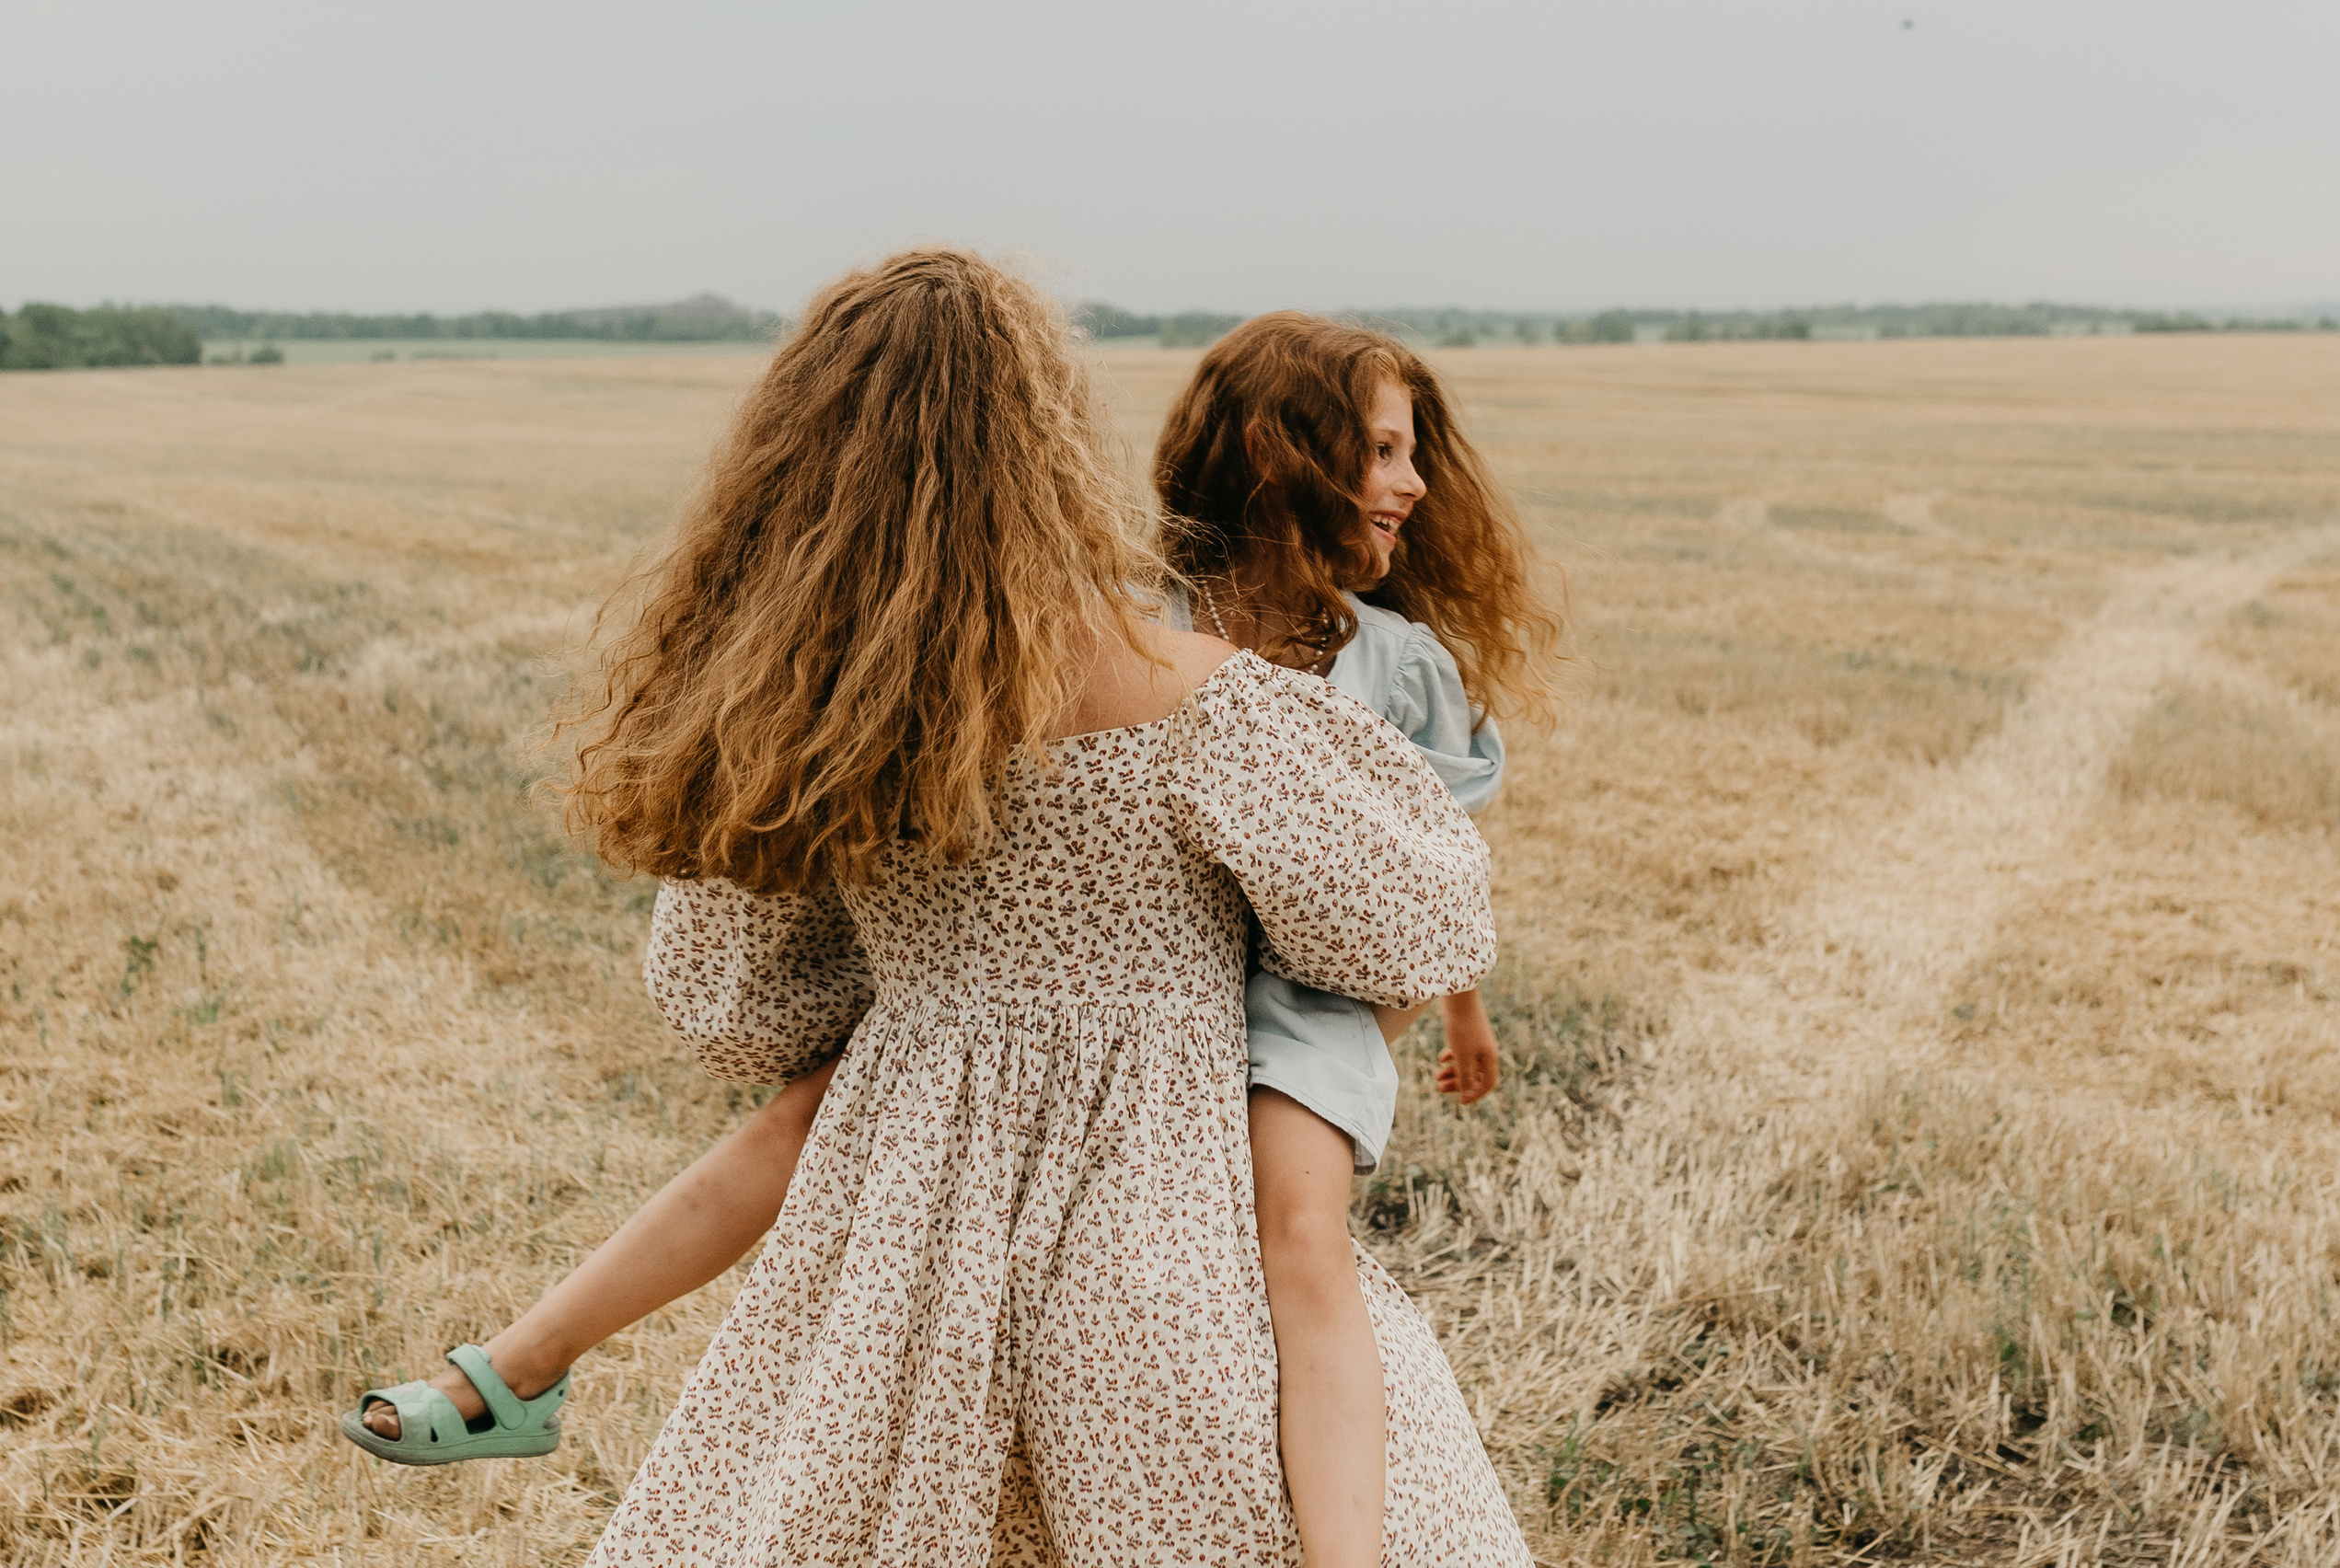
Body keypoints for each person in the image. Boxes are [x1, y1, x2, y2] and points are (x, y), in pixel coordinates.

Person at [341, 249, 1532, 1563]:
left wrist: (939, 1025)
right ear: (1054, 445)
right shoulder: (1208, 708)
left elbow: (740, 1008)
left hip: (900, 1225)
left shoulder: (832, 721)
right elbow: (1417, 930)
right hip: (1158, 1205)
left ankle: (514, 1367)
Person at [1153, 311, 1561, 1567]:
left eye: (1413, 453)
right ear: (1285, 457)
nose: (1416, 483)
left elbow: (1431, 876)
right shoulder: (1146, 621)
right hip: (1158, 987)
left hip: (1312, 1013)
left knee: (1300, 1234)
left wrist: (1462, 1009)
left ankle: (1344, 1552)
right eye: (1384, 452)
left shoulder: (1395, 666)